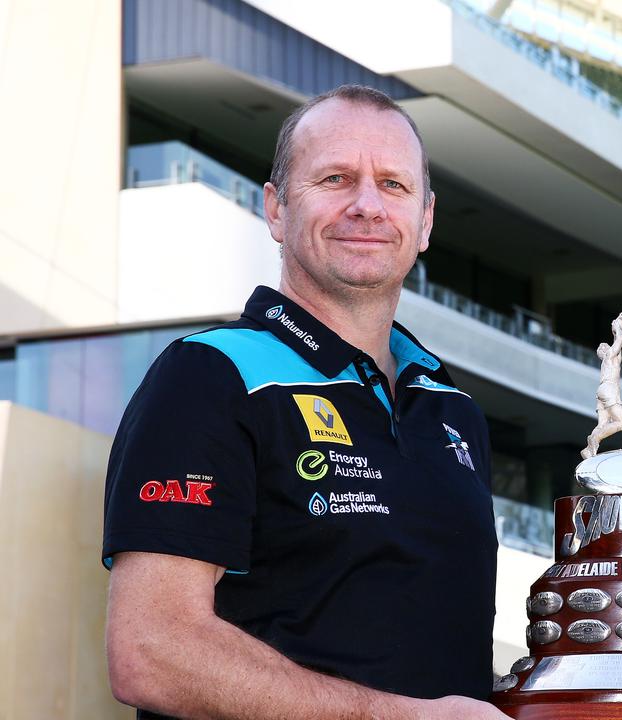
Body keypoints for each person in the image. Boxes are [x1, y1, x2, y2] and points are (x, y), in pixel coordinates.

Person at [102, 85, 507, 720]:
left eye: (393, 185)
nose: (367, 206)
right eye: (336, 178)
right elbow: (152, 649)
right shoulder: (210, 375)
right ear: (276, 210)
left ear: (426, 221)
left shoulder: (453, 410)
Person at [583, 314, 622, 458]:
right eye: (604, 346)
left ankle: (588, 450)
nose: (607, 346)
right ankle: (594, 439)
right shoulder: (610, 355)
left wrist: (616, 331)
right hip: (609, 389)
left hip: (602, 391)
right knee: (620, 422)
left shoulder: (611, 359)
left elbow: (618, 343)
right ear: (604, 352)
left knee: (602, 424)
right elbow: (621, 340)